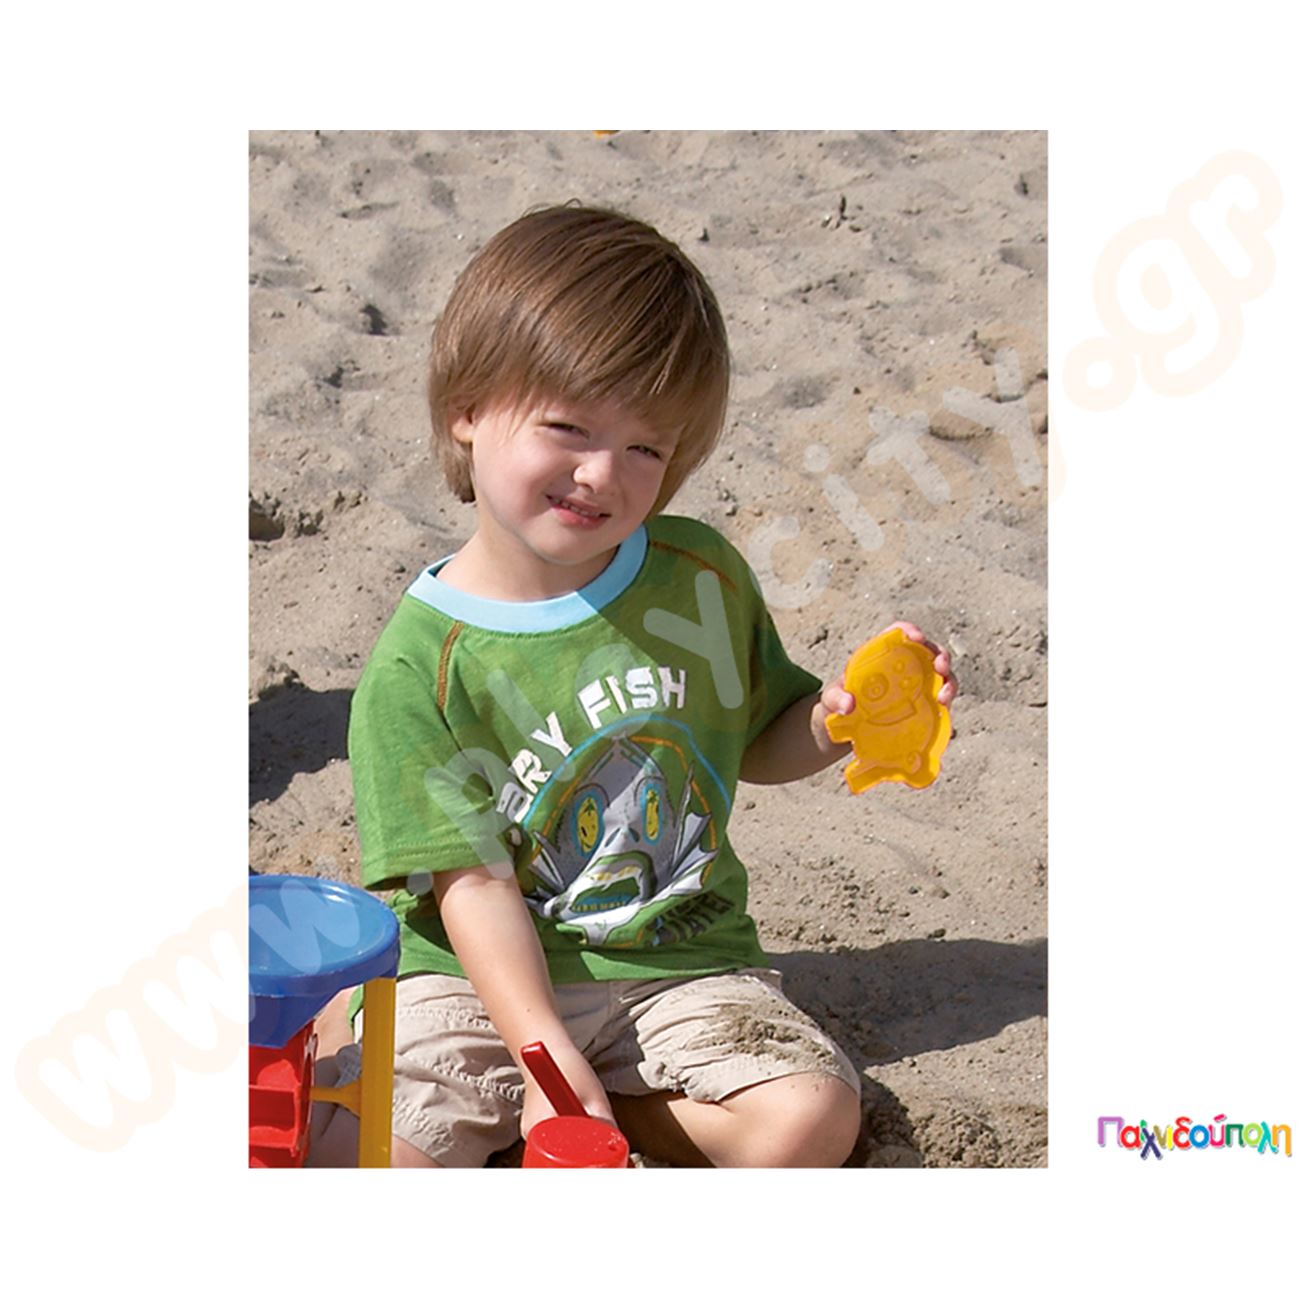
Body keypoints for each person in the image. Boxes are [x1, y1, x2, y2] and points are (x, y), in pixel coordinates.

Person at [309, 204, 957, 1168]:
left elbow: (757, 738)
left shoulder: (698, 575)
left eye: (646, 447)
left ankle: (624, 1106)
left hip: (676, 963)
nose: (601, 473)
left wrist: (835, 725)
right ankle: (379, 1032)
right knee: (358, 1161)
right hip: (473, 981)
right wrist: (545, 1058)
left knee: (814, 1116)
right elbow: (473, 886)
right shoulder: (420, 663)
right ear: (468, 411)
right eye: (566, 426)